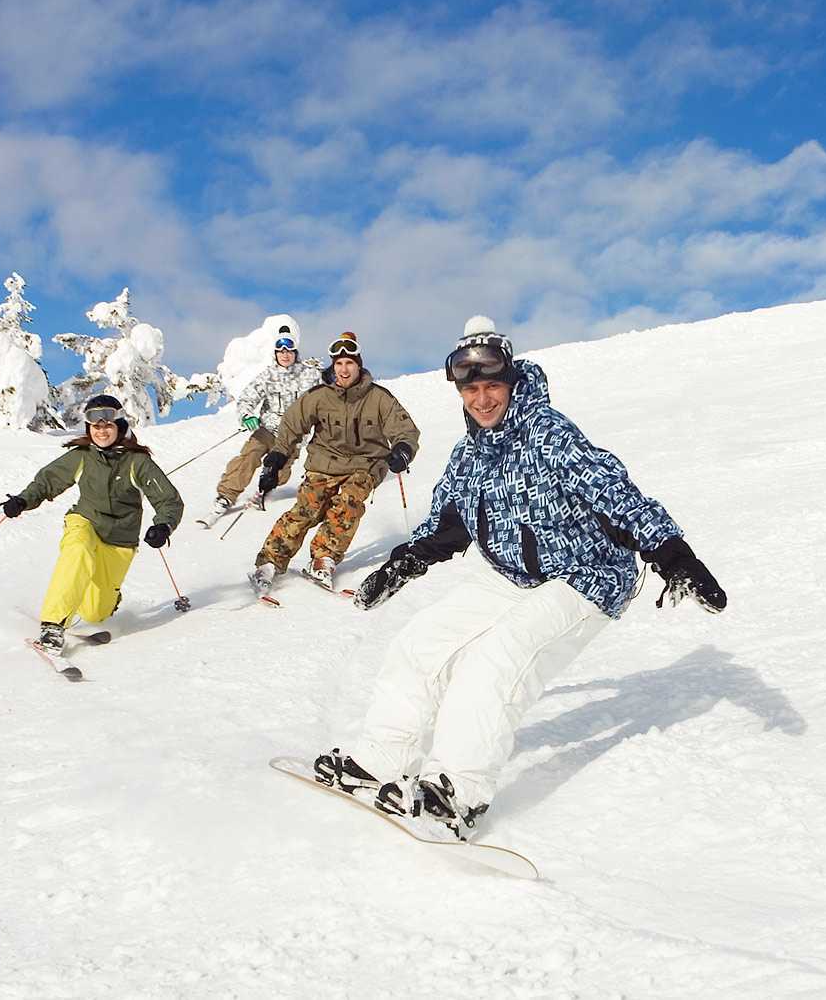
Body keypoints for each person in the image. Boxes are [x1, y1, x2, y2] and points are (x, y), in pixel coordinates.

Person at [313, 316, 727, 841]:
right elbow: (450, 521)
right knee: (421, 642)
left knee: (499, 658)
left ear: (511, 383)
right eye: (472, 389)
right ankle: (379, 758)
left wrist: (675, 556)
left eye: (492, 386)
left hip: (587, 575)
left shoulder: (550, 434)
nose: (483, 400)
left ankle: (456, 792)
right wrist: (405, 561)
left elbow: (618, 496)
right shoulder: (469, 454)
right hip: (511, 574)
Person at [0, 394, 184, 656]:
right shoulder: (82, 457)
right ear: (89, 428)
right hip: (86, 521)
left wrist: (163, 526)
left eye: (107, 425)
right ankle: (53, 624)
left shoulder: (137, 462)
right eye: (95, 426)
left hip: (120, 539)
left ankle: (106, 599)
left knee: (95, 612)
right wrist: (23, 500)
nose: (101, 431)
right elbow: (48, 481)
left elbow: (168, 500)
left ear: (119, 426)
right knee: (78, 551)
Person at [247, 331, 420, 595]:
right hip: (324, 461)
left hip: (366, 463)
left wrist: (403, 450)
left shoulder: (379, 397)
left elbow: (405, 430)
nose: (344, 369)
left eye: (349, 362)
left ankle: (323, 558)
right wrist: (276, 460)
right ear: (333, 366)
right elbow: (292, 425)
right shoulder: (319, 395)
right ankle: (270, 561)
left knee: (349, 502)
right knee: (308, 508)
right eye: (339, 363)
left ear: (359, 365)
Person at [197, 326, 322, 527]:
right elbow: (248, 397)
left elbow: (326, 397)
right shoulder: (268, 375)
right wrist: (247, 415)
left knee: (280, 469)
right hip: (268, 429)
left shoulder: (310, 375)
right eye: (281, 351)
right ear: (275, 354)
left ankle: (267, 487)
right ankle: (226, 496)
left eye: (289, 351)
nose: (285, 355)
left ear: (295, 352)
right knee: (249, 455)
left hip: (293, 434)